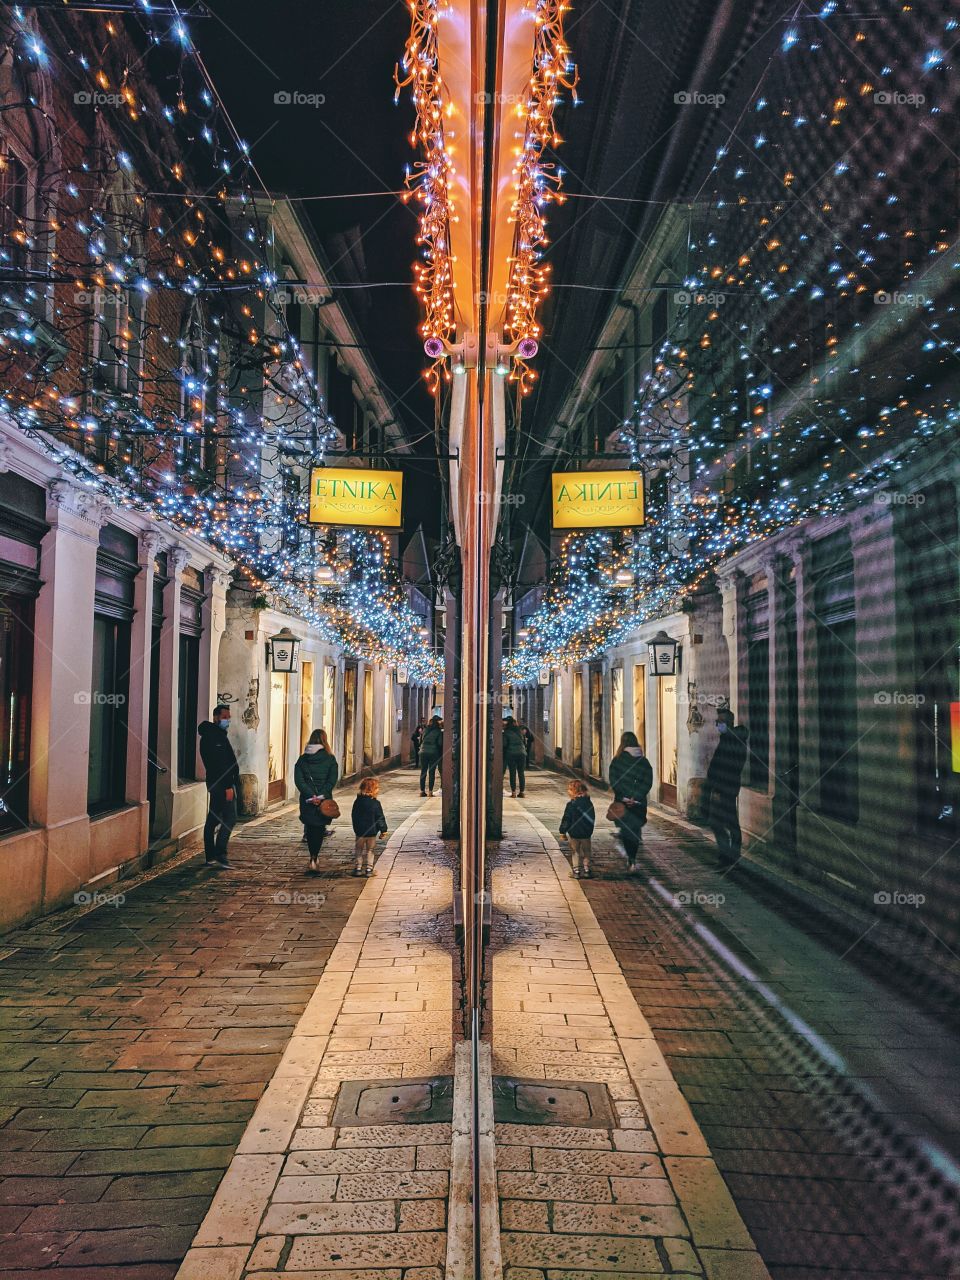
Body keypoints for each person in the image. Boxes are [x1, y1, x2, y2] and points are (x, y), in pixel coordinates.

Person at [198, 705, 241, 868]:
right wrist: (228, 786)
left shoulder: (217, 735)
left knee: (213, 819)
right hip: (221, 785)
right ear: (216, 717)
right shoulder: (213, 737)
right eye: (225, 717)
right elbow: (218, 764)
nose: (227, 720)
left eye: (228, 717)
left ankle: (210, 856)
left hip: (216, 783)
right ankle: (220, 854)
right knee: (230, 818)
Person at [705, 708, 749, 866]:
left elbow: (728, 768)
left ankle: (729, 857)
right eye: (718, 721)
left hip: (725, 788)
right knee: (726, 822)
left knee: (721, 822)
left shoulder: (733, 741)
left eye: (721, 722)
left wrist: (718, 788)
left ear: (729, 723)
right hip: (725, 787)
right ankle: (730, 856)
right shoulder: (727, 739)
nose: (718, 724)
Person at [294, 729, 339, 874]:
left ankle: (312, 857)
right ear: (325, 740)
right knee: (319, 829)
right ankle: (314, 857)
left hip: (307, 800)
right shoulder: (330, 759)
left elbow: (299, 780)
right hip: (323, 801)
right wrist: (320, 796)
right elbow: (332, 780)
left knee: (310, 827)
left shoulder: (302, 759)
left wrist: (310, 795)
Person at [608, 731, 653, 873]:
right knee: (634, 829)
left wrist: (625, 796)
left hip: (623, 803)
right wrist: (637, 797)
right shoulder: (644, 761)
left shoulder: (618, 760)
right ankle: (632, 857)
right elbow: (648, 781)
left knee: (627, 831)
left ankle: (631, 859)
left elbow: (614, 780)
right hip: (639, 803)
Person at [352, 776, 388, 876]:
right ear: (373, 790)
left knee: (358, 850)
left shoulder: (357, 802)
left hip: (359, 832)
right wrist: (383, 830)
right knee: (370, 850)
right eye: (377, 788)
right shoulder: (375, 803)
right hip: (371, 833)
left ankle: (358, 869)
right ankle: (369, 870)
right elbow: (380, 817)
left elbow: (354, 816)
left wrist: (356, 828)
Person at [560, 779, 595, 878]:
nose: (568, 791)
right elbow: (592, 818)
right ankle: (587, 870)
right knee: (587, 851)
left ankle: (576, 871)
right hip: (586, 834)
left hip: (574, 833)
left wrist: (562, 831)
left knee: (575, 852)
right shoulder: (589, 803)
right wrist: (589, 829)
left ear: (574, 791)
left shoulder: (571, 805)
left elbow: (566, 819)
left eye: (569, 789)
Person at [503, 716, 528, 797]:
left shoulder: (506, 732)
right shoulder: (519, 731)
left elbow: (504, 744)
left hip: (511, 754)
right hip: (522, 754)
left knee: (512, 773)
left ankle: (513, 793)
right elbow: (524, 743)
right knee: (521, 773)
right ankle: (522, 792)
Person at [419, 715, 443, 796]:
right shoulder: (438, 731)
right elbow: (440, 743)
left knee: (423, 771)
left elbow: (421, 740)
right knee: (431, 772)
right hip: (433, 753)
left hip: (423, 752)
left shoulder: (425, 730)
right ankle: (430, 792)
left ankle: (422, 791)